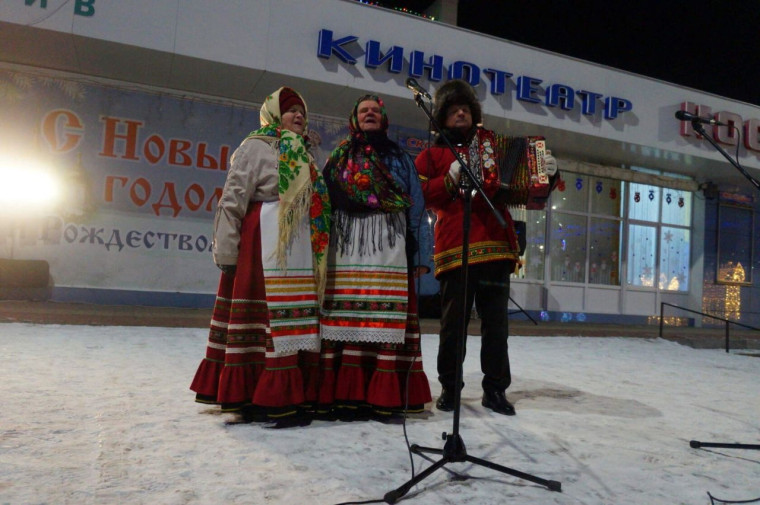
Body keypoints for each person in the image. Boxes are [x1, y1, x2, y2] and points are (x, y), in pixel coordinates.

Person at [190, 86, 332, 426]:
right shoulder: (255, 146)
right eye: (290, 110)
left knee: (289, 318)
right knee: (266, 321)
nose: (298, 116)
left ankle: (286, 393)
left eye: (302, 111)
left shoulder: (305, 153)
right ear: (272, 114)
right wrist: (227, 249)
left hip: (294, 247)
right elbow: (233, 197)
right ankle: (259, 398)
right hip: (262, 244)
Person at [415, 79, 558, 416]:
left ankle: (495, 390)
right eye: (452, 109)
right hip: (455, 249)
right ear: (442, 117)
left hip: (496, 249)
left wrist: (547, 177)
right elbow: (420, 197)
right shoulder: (431, 156)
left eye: (465, 108)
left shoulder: (492, 145)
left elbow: (522, 190)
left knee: (497, 327)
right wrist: (448, 178)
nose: (460, 112)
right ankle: (450, 388)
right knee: (453, 326)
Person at [320, 94, 432, 419]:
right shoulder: (339, 157)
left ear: (383, 119)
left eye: (374, 111)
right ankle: (343, 395)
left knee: (384, 319)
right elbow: (323, 203)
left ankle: (385, 396)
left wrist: (421, 253)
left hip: (389, 246)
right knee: (346, 319)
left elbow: (417, 207)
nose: (369, 114)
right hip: (345, 249)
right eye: (363, 111)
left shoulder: (400, 157)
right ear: (355, 119)